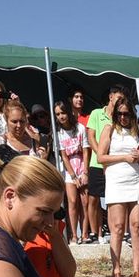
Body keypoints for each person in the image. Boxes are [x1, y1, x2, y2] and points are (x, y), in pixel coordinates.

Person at [98, 93, 139, 277]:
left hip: (136, 180)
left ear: (132, 114)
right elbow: (101, 157)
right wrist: (124, 157)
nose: (123, 117)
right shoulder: (109, 130)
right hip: (116, 180)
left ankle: (137, 269)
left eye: (126, 114)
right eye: (120, 114)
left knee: (136, 226)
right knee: (118, 227)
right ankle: (116, 269)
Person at [85, 87, 119, 245]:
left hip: (114, 165)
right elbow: (90, 136)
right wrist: (101, 155)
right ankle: (94, 233)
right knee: (93, 199)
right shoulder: (96, 113)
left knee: (114, 200)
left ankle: (116, 233)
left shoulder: (120, 117)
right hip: (96, 163)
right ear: (111, 97)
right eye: (118, 98)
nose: (120, 102)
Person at [54, 103, 89, 241]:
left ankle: (85, 233)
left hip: (82, 165)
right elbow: (63, 156)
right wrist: (73, 176)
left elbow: (86, 151)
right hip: (69, 170)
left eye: (63, 113)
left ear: (68, 112)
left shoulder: (80, 128)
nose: (61, 117)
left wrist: (85, 172)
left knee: (84, 202)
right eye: (57, 114)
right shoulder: (58, 133)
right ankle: (74, 235)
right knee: (73, 201)